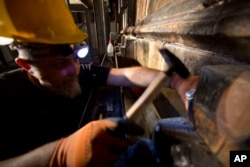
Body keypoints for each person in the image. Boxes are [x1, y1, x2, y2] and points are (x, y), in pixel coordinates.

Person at [0, 0, 199, 166]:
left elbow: (125, 75)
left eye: (76, 58)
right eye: (60, 64)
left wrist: (177, 81)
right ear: (26, 65)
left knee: (176, 138)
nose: (74, 69)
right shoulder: (6, 94)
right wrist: (59, 155)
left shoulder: (80, 73)